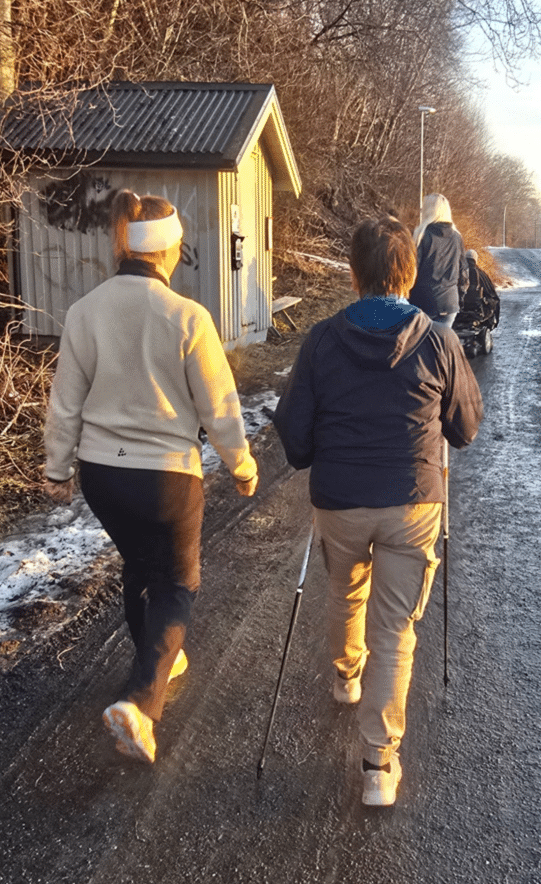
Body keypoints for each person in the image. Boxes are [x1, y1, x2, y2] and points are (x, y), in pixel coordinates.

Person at [42, 190, 258, 764]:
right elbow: (220, 407)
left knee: (139, 566)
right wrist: (242, 466)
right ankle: (140, 702)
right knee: (177, 583)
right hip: (166, 479)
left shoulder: (84, 312)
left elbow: (65, 403)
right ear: (170, 250)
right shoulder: (188, 317)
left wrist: (57, 468)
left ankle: (158, 660)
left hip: (103, 477)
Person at [273, 215, 482, 806]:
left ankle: (346, 677)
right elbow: (465, 428)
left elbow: (294, 434)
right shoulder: (439, 342)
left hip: (340, 500)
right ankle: (378, 766)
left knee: (346, 592)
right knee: (394, 629)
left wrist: (320, 449)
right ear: (410, 274)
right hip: (413, 503)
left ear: (353, 273)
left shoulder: (321, 340)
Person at [409, 193, 469, 328]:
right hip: (449, 302)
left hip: (423, 301)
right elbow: (463, 272)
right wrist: (459, 297)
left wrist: (406, 297)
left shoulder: (421, 235)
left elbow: (412, 271)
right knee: (442, 339)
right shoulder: (457, 237)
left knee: (422, 339)